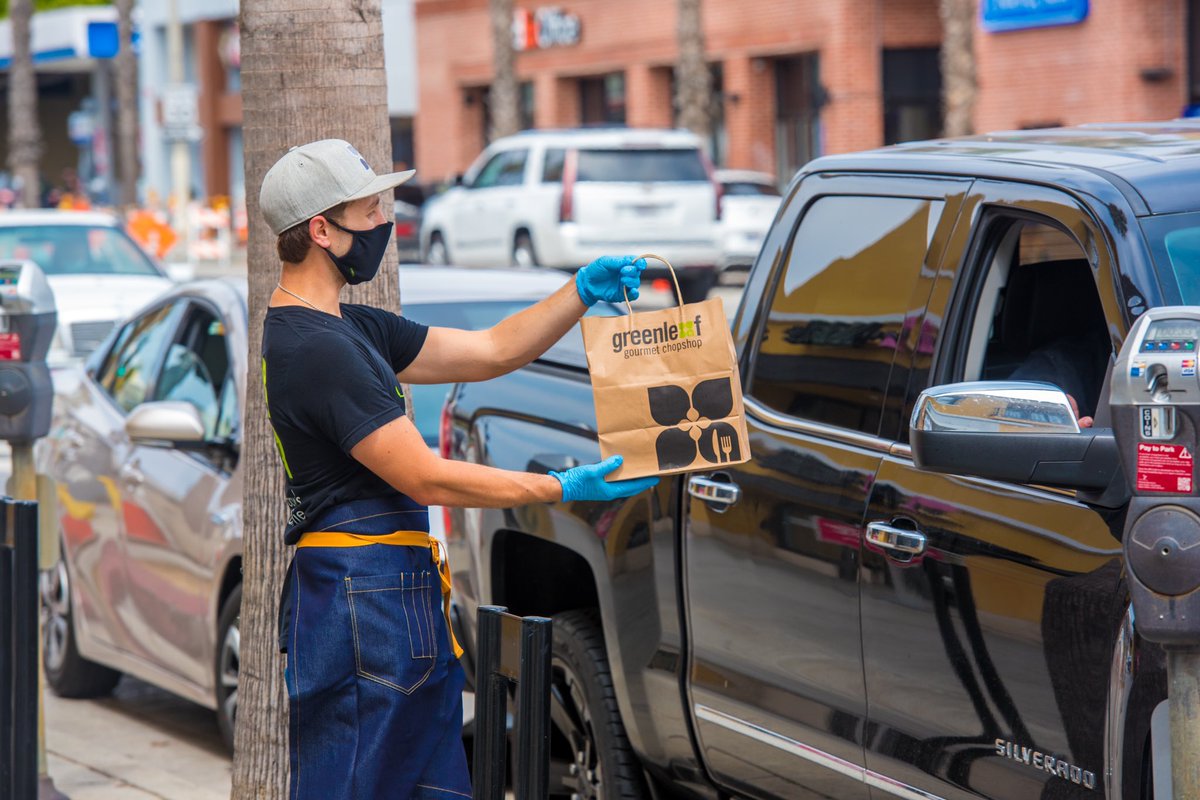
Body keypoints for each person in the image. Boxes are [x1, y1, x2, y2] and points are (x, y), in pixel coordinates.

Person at [258, 139, 658, 800]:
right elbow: (427, 477)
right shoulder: (317, 348)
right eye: (368, 211)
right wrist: (559, 486)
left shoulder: (348, 327)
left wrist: (580, 292)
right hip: (365, 598)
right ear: (321, 230)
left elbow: (492, 349)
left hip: (376, 591)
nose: (384, 222)